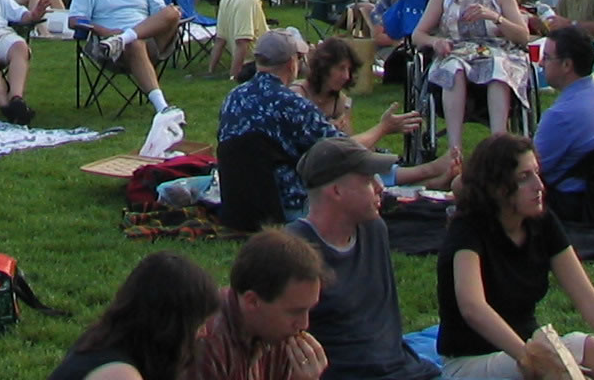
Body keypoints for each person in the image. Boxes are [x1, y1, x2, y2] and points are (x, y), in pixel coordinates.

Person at [436, 133, 594, 380]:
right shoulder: (468, 229)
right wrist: (529, 356)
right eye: (524, 177)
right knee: (579, 346)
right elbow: (473, 308)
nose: (539, 186)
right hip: (473, 363)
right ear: (498, 188)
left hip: (531, 346)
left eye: (537, 173)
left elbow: (588, 299)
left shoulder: (541, 221)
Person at [217, 30, 446, 230]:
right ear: (291, 63)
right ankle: (420, 177)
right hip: (285, 208)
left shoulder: (232, 98)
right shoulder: (292, 104)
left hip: (237, 208)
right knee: (344, 172)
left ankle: (421, 177)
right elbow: (344, 152)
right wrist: (384, 128)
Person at [286, 137, 439, 380]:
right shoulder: (293, 251)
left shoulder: (373, 229)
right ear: (336, 191)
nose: (380, 187)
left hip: (401, 368)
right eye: (368, 180)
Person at [418, 0, 533, 144]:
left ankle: (499, 143)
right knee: (454, 68)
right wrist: (436, 41)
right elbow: (418, 34)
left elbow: (523, 36)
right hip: (456, 51)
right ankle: (455, 149)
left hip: (497, 50)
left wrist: (495, 17)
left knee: (497, 67)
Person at [45, 250, 224, 380]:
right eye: (198, 323)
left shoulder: (103, 343)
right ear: (171, 325)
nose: (203, 332)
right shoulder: (117, 374)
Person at [185, 230, 330, 380]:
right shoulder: (207, 343)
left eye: (309, 310)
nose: (304, 324)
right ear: (252, 301)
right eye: (295, 312)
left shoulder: (277, 334)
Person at [69, 0, 184, 115]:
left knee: (172, 12)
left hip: (151, 41)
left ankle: (125, 38)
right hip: (109, 47)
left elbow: (160, 12)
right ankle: (162, 107)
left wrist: (128, 34)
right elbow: (75, 20)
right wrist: (107, 32)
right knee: (135, 43)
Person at [531, 26, 594, 223]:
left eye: (547, 57)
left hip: (565, 205)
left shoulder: (560, 116)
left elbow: (530, 171)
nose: (541, 63)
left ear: (567, 65)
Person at [211, 0, 271, 77]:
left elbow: (220, 40)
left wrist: (211, 70)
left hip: (254, 62)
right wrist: (234, 75)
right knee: (294, 37)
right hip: (259, 63)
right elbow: (242, 41)